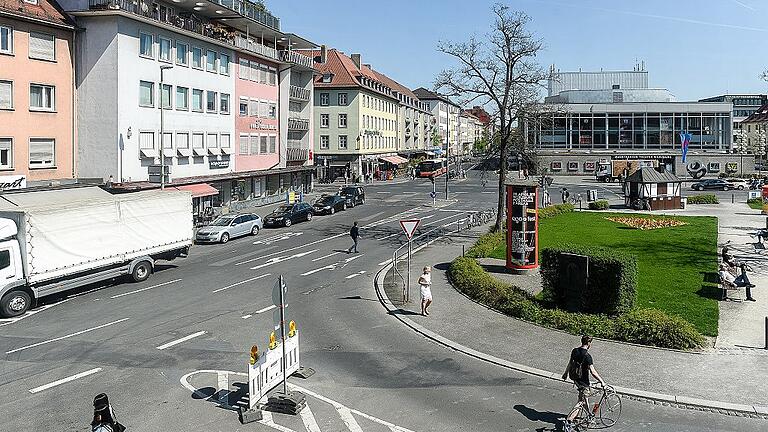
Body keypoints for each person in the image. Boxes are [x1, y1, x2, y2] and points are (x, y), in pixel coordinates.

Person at [562, 335, 604, 432]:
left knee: (584, 398)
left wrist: (565, 373)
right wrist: (602, 382)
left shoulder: (574, 351)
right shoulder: (587, 356)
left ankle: (589, 415)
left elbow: (570, 363)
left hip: (575, 379)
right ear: (589, 344)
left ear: (582, 341)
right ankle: (569, 421)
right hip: (584, 382)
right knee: (581, 402)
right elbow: (593, 372)